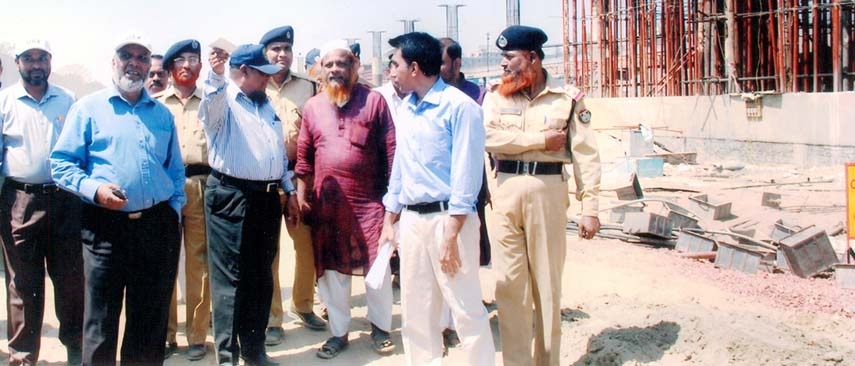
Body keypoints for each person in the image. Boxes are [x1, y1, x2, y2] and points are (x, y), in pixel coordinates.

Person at [50, 34, 186, 365]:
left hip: (155, 227)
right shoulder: (88, 108)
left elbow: (175, 171)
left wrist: (173, 210)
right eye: (127, 55)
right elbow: (61, 163)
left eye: (142, 57)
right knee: (101, 321)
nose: (135, 63)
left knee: (149, 320)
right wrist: (94, 189)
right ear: (114, 61)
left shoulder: (161, 114)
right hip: (104, 229)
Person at [483, 25, 602, 366]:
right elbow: (488, 139)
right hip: (505, 195)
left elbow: (586, 156)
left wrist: (590, 207)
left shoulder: (567, 100)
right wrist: (539, 141)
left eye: (510, 58)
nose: (503, 65)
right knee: (510, 289)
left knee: (547, 289)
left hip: (547, 195)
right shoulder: (495, 96)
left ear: (532, 58)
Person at [380, 31, 495, 366]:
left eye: (395, 64)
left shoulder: (461, 109)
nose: (391, 71)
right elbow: (400, 169)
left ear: (414, 68)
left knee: (465, 307)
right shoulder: (407, 109)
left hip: (449, 221)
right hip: (414, 221)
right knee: (416, 309)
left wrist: (452, 233)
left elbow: (466, 175)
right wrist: (391, 221)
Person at [296, 41, 396, 360]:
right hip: (328, 206)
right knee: (333, 273)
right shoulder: (312, 107)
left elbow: (391, 152)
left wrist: (393, 204)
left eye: (342, 64)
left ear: (354, 68)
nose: (335, 70)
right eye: (329, 65)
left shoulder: (375, 101)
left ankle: (380, 328)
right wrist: (301, 197)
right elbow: (304, 158)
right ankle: (339, 333)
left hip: (371, 204)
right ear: (320, 71)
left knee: (376, 269)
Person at [199, 43, 297, 366]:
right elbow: (210, 103)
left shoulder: (265, 106)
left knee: (260, 276)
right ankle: (227, 358)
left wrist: (288, 188)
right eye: (263, 74)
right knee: (230, 282)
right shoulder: (222, 101)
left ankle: (255, 351)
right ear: (244, 72)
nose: (269, 79)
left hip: (266, 199)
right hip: (231, 197)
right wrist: (214, 74)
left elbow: (279, 154)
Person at [0, 39, 84, 366]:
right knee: (22, 284)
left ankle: (76, 350)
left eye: (42, 58)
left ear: (50, 61)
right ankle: (23, 356)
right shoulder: (4, 101)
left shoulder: (68, 100)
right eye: (29, 59)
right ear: (18, 62)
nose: (36, 65)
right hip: (20, 201)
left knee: (71, 281)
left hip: (65, 202)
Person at [258, 25, 326, 347]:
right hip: (265, 180)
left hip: (300, 177)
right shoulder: (254, 85)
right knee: (268, 251)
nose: (281, 54)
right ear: (264, 53)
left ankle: (304, 306)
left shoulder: (309, 87)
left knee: (306, 246)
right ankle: (273, 319)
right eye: (275, 48)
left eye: (286, 48)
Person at [157, 39, 211, 362]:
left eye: (194, 59)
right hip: (166, 190)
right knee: (163, 262)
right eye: (181, 59)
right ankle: (165, 335)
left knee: (199, 263)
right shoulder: (155, 104)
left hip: (202, 184)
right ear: (169, 69)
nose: (188, 65)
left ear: (201, 67)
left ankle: (196, 335)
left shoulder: (211, 102)